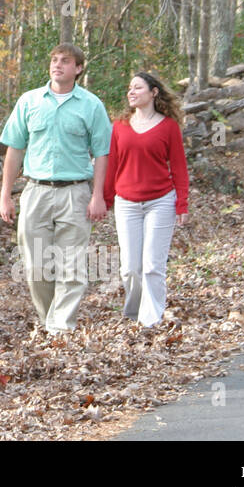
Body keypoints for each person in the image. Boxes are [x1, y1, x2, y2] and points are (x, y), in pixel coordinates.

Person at [0, 44, 112, 334]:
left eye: (65, 61)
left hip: (75, 193)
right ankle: (49, 322)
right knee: (36, 267)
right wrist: (5, 195)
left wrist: (98, 195)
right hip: (36, 191)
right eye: (54, 60)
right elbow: (14, 149)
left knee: (71, 266)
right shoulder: (29, 101)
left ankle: (61, 329)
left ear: (78, 68)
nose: (58, 65)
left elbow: (102, 153)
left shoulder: (91, 105)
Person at [103, 71, 189, 327]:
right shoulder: (119, 126)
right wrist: (105, 200)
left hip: (160, 202)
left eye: (138, 88)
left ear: (153, 93)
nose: (131, 92)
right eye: (130, 88)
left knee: (152, 265)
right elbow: (112, 166)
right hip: (127, 203)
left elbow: (179, 167)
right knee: (130, 267)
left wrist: (181, 202)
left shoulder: (169, 127)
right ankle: (133, 311)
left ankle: (150, 320)